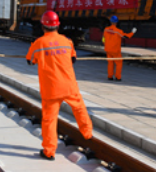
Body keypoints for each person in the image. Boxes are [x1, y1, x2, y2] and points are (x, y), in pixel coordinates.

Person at [26, 10, 93, 161]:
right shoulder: (67, 41)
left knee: (49, 120)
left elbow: (30, 60)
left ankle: (49, 151)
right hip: (69, 86)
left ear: (43, 26)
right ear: (58, 26)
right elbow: (73, 59)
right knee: (79, 108)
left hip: (51, 90)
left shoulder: (38, 43)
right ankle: (88, 133)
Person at [103, 15, 136, 81]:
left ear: (110, 22)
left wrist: (106, 45)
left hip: (108, 49)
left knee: (110, 63)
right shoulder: (118, 31)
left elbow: (103, 39)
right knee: (119, 63)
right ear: (117, 22)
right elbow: (126, 37)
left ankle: (110, 76)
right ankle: (118, 77)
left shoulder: (106, 29)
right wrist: (132, 32)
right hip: (115, 50)